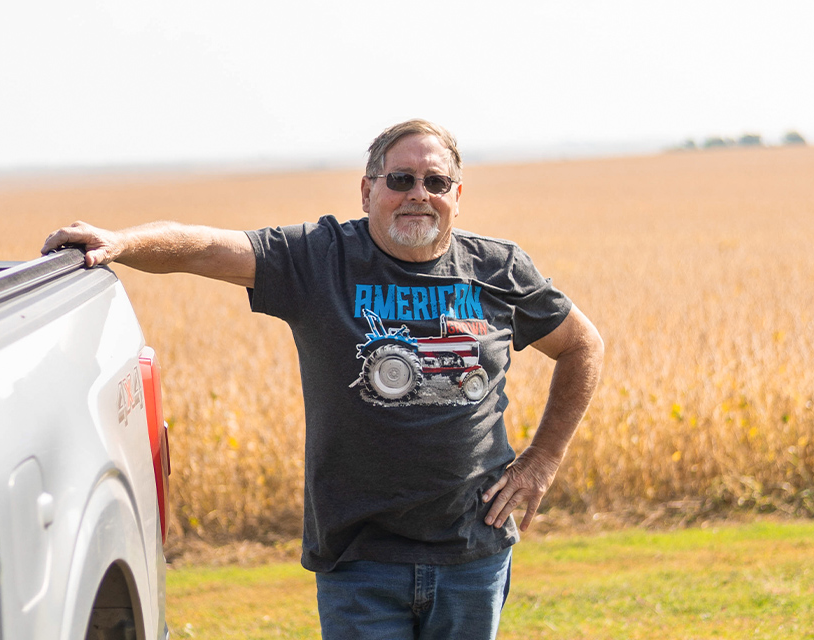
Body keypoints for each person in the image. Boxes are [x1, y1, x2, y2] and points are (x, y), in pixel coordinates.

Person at [41, 119, 604, 640]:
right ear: (367, 190)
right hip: (359, 559)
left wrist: (543, 460)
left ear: (457, 195)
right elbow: (209, 246)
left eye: (436, 181)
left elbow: (582, 346)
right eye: (401, 178)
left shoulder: (498, 269)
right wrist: (121, 243)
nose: (418, 193)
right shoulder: (319, 257)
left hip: (472, 550)